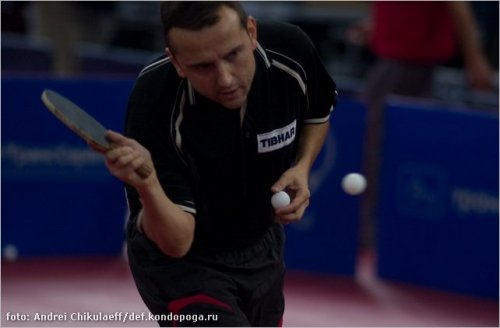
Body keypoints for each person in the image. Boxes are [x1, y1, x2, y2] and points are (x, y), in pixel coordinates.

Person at [100, 2, 337, 326]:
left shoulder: (291, 50)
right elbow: (177, 241)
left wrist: (301, 167)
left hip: (260, 245)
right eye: (203, 67)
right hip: (184, 264)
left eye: (233, 55)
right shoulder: (155, 102)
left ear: (251, 32)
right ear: (177, 62)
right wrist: (148, 182)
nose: (225, 79)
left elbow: (317, 113)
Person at [348, 1, 496, 249]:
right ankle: (385, 233)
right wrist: (378, 26)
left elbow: (458, 6)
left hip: (405, 66)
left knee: (375, 147)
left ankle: (373, 234)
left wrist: (475, 60)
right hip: (397, 61)